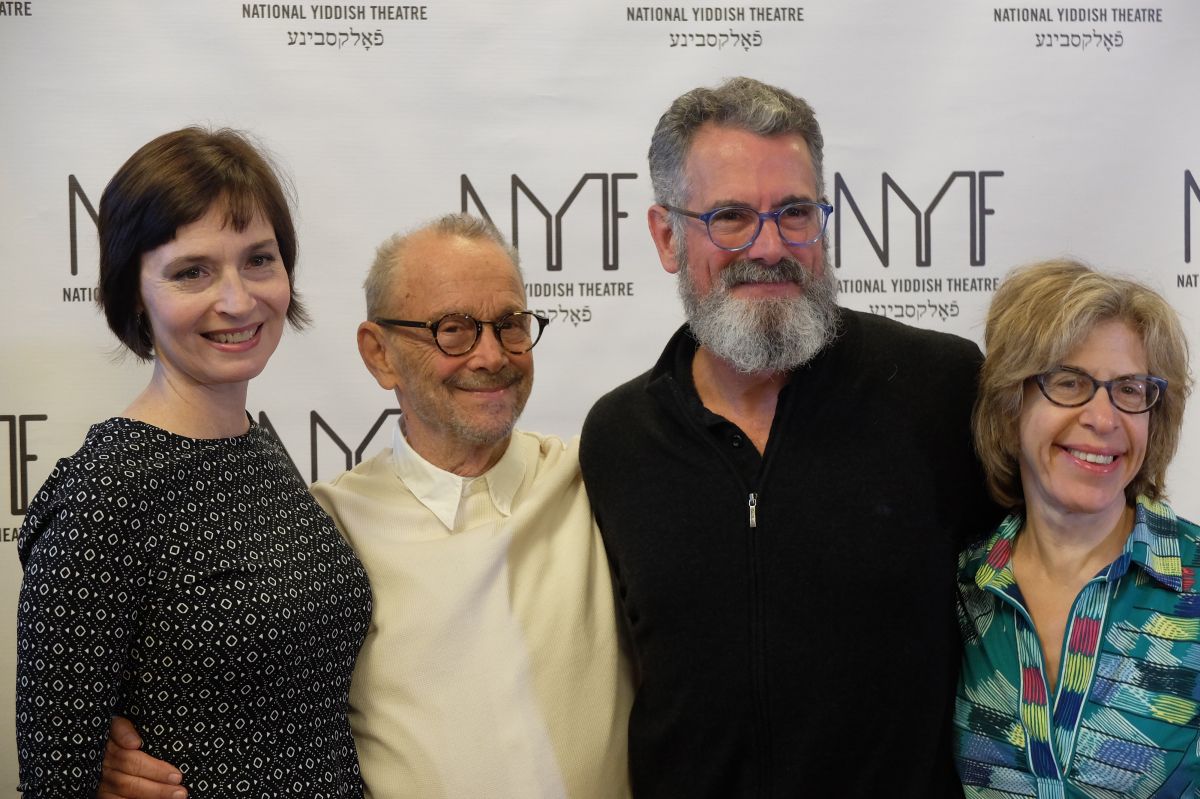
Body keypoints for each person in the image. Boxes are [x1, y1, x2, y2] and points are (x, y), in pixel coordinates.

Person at [99, 213, 633, 799]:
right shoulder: (323, 535)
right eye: (452, 330)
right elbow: (242, 709)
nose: (490, 356)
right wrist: (121, 753)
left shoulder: (605, 479)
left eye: (509, 324)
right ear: (379, 355)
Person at [579, 77, 998, 797]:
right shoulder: (618, 437)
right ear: (665, 235)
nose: (770, 246)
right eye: (732, 217)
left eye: (795, 212)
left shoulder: (941, 387)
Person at [15, 128, 372, 797]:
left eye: (259, 260)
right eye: (192, 271)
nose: (237, 300)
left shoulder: (256, 447)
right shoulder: (106, 492)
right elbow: (55, 777)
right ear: (134, 293)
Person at [955, 260, 1197, 796]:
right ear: (1010, 405)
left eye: (1131, 390)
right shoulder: (963, 586)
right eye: (1069, 383)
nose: (1104, 419)